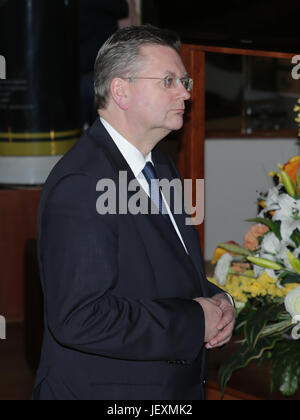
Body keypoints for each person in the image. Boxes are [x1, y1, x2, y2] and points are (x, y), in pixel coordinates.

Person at [33, 25, 235, 401]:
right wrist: (194, 320)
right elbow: (80, 318)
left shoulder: (160, 164)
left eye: (185, 80)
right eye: (169, 81)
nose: (186, 93)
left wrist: (220, 302)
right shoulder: (82, 183)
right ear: (121, 91)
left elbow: (166, 276)